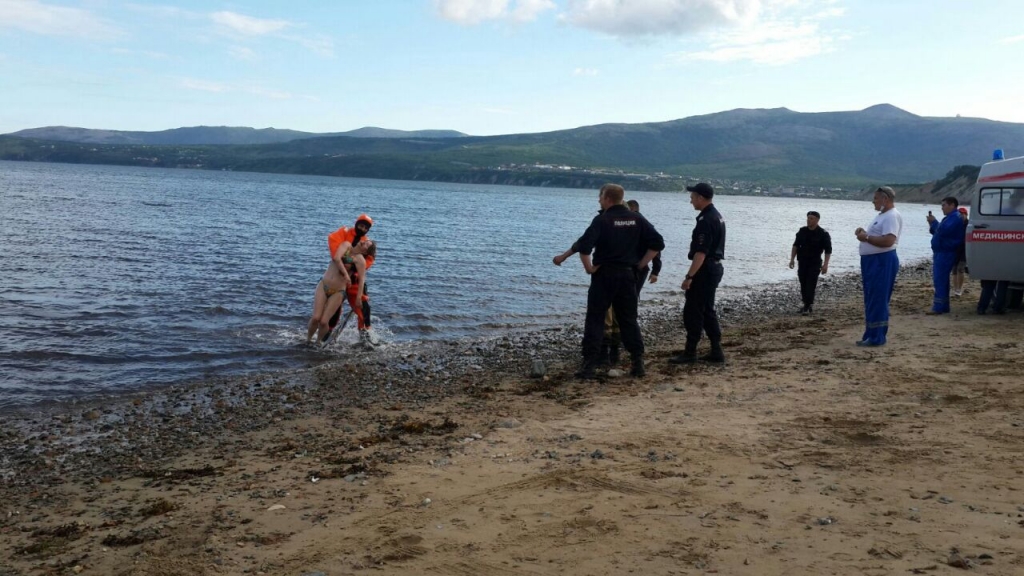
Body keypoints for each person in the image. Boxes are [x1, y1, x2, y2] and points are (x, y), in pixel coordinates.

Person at [572, 184, 664, 379]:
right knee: (628, 319)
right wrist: (641, 264)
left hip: (604, 275)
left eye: (600, 197)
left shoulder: (602, 219)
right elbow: (657, 243)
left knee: (595, 318)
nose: (599, 200)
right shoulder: (637, 218)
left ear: (607, 198)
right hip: (628, 276)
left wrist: (589, 268)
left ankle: (589, 365)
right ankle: (637, 363)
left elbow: (585, 247)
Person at [669, 183, 727, 364]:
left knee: (693, 310)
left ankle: (690, 351)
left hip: (705, 270)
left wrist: (689, 277)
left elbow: (701, 252)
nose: (691, 200)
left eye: (693, 197)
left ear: (701, 198)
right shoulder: (717, 216)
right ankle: (716, 350)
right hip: (714, 268)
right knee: (707, 309)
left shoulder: (706, 220)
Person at [854, 186, 903, 346]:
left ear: (885, 199)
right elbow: (876, 236)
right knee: (871, 297)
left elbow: (888, 240)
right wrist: (864, 234)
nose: (873, 201)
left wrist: (866, 237)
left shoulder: (891, 216)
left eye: (875, 198)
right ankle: (870, 334)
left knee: (878, 298)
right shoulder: (882, 216)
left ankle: (877, 337)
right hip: (873, 261)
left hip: (881, 261)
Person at [307, 238, 373, 344]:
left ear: (365, 251)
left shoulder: (360, 260)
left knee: (324, 322)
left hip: (339, 291)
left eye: (367, 244)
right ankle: (308, 340)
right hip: (324, 285)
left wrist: (358, 298)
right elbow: (337, 258)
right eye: (365, 241)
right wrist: (347, 275)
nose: (364, 242)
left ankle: (318, 343)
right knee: (315, 317)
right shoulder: (346, 245)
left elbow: (361, 280)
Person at [926, 197, 966, 314]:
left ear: (952, 205)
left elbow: (943, 231)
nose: (942, 208)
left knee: (940, 279)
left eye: (944, 205)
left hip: (946, 252)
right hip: (942, 251)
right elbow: (939, 232)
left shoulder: (955, 217)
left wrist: (934, 222)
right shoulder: (950, 218)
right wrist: (932, 224)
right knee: (942, 279)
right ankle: (943, 305)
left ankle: (939, 307)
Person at [788, 211, 832, 315]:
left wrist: (825, 264)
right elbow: (795, 245)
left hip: (815, 262)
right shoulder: (802, 231)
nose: (809, 220)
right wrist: (792, 259)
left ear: (817, 220)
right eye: (808, 218)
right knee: (803, 283)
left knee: (810, 284)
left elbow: (828, 250)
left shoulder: (823, 234)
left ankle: (808, 305)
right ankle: (806, 304)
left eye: (811, 218)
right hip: (802, 261)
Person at [626, 200, 663, 292]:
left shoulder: (640, 224)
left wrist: (655, 271)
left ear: (632, 209)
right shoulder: (643, 224)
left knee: (631, 295)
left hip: (637, 267)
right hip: (637, 266)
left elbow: (657, 246)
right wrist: (655, 271)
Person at [952, 207, 968, 297]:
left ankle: (959, 288)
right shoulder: (955, 224)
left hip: (965, 249)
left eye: (962, 214)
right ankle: (956, 289)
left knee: (960, 269)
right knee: (954, 270)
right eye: (959, 214)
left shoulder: (969, 225)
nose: (961, 216)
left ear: (966, 214)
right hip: (955, 249)